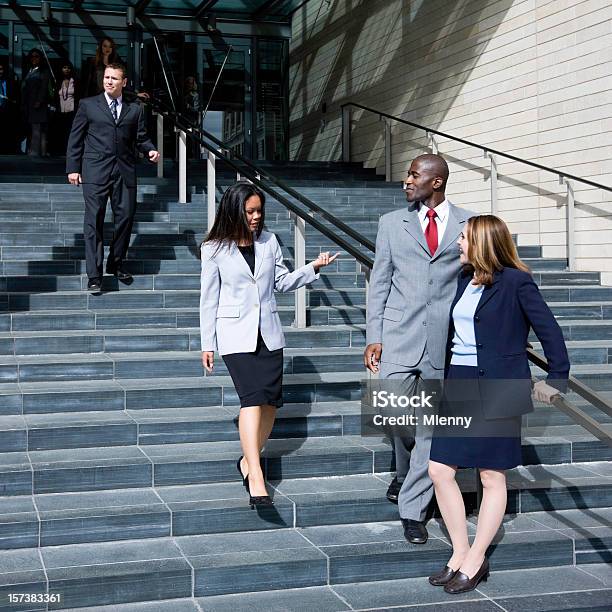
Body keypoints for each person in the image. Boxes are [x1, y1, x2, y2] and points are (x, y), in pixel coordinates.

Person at [427, 214, 570, 594]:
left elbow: (549, 330)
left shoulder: (516, 281)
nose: (457, 243)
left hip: (499, 385)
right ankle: (459, 552)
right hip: (459, 382)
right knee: (440, 469)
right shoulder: (464, 278)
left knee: (492, 475)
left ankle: (476, 558)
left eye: (462, 237)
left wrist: (556, 379)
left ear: (482, 242)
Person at [199, 182, 339, 508]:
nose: (256, 216)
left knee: (271, 404)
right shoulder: (214, 249)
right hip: (234, 335)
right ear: (235, 211)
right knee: (251, 400)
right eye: (250, 211)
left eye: (259, 210)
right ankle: (257, 476)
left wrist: (313, 267)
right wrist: (208, 343)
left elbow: (281, 282)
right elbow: (208, 300)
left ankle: (247, 461)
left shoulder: (270, 242)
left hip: (269, 333)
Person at [364, 153, 476, 545]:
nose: (407, 181)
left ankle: (413, 509)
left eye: (414, 175)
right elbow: (380, 282)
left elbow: (480, 276)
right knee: (392, 412)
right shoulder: (391, 223)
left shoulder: (468, 223)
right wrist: (373, 334)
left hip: (445, 340)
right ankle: (405, 471)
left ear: (437, 182)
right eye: (408, 173)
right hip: (397, 334)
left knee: (431, 426)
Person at [66, 63, 160, 293]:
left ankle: (116, 263)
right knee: (94, 222)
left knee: (126, 218)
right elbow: (75, 138)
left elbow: (140, 137)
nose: (109, 81)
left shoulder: (135, 110)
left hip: (124, 172)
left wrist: (150, 150)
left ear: (124, 82)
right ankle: (95, 275)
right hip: (95, 172)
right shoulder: (88, 105)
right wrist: (73, 168)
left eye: (114, 78)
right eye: (106, 77)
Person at [82, 37, 149, 102]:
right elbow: (86, 85)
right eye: (105, 46)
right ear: (100, 47)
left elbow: (120, 84)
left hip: (112, 99)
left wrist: (136, 94)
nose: (107, 48)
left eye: (110, 46)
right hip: (96, 99)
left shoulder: (116, 63)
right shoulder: (92, 63)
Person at [21, 48, 49, 157]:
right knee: (36, 130)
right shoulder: (29, 70)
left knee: (38, 129)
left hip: (38, 104)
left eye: (36, 56)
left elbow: (44, 87)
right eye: (32, 56)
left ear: (41, 58)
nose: (34, 58)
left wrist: (39, 101)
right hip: (29, 104)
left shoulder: (44, 71)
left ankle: (35, 153)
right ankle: (39, 152)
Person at [0, 63, 20, 154]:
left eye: (1, 69)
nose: (0, 71)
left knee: (6, 131)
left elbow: (15, 96)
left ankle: (7, 150)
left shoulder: (9, 81)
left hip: (7, 110)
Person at [57, 63, 77, 154]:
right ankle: (61, 149)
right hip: (60, 110)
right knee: (60, 130)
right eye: (64, 67)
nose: (66, 69)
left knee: (70, 130)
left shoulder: (75, 81)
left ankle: (69, 150)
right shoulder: (58, 81)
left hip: (72, 110)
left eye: (68, 68)